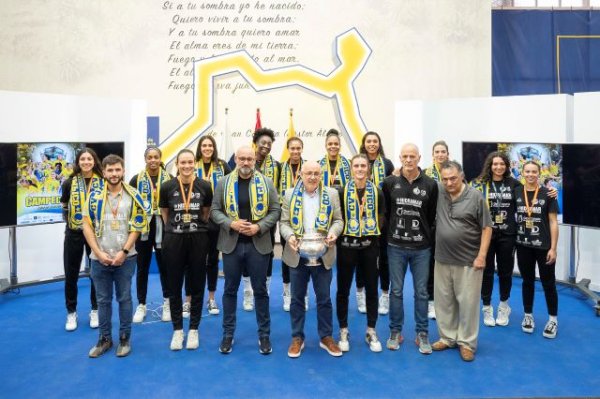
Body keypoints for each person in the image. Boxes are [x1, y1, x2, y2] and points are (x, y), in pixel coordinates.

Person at [211, 145, 281, 355]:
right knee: (230, 290)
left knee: (260, 291)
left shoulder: (266, 182)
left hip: (258, 245)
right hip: (232, 244)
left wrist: (259, 226)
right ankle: (228, 334)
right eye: (242, 158)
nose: (246, 162)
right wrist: (230, 223)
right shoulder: (224, 182)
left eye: (249, 159)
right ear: (235, 159)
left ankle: (264, 335)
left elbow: (276, 210)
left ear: (254, 161)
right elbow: (214, 210)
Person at [82, 154, 149, 358]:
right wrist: (98, 252)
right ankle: (104, 339)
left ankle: (124, 338)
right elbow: (86, 225)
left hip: (126, 258)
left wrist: (124, 251)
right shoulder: (93, 197)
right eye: (110, 170)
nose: (114, 174)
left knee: (125, 298)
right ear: (103, 172)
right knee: (103, 301)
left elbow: (137, 225)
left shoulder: (133, 195)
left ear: (123, 171)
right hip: (99, 258)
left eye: (117, 170)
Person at [279, 161, 344, 358]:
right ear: (301, 174)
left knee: (324, 299)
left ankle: (326, 337)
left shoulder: (331, 194)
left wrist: (333, 233)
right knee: (297, 299)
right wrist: (289, 236)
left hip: (323, 252)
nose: (313, 177)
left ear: (321, 174)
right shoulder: (290, 194)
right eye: (309, 173)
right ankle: (297, 337)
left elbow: (339, 220)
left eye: (316, 173)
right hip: (297, 253)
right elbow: (284, 222)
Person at [432, 160, 492, 362]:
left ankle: (466, 343)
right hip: (442, 259)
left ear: (462, 176)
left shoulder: (475, 197)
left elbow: (487, 227)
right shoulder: (439, 190)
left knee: (468, 304)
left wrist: (482, 255)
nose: (449, 183)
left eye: (453, 179)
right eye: (445, 179)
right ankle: (447, 337)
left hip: (469, 261)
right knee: (444, 303)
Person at [383, 144, 438, 354]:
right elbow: (386, 212)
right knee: (395, 291)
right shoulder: (390, 183)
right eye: (405, 156)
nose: (408, 160)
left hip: (421, 248)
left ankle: (422, 333)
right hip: (395, 246)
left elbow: (431, 215)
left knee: (422, 292)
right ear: (400, 158)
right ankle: (395, 331)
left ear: (419, 158)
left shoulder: (431, 185)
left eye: (412, 156)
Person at [159, 149, 213, 350]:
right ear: (177, 164)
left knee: (198, 284)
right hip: (174, 239)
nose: (187, 166)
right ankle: (177, 330)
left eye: (190, 162)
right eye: (183, 162)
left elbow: (206, 213)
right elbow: (165, 214)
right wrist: (176, 228)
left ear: (195, 164)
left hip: (198, 237)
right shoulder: (167, 187)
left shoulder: (205, 186)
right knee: (174, 286)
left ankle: (193, 330)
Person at [335, 154, 385, 353]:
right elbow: (337, 217)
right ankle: (343, 329)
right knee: (343, 290)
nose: (360, 168)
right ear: (351, 168)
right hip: (347, 247)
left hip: (369, 247)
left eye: (363, 165)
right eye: (356, 165)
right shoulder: (341, 191)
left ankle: (371, 330)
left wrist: (370, 231)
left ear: (368, 168)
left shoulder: (377, 191)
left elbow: (382, 214)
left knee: (372, 288)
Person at [179, 135, 232, 318]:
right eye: (204, 145)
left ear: (214, 147)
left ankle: (211, 298)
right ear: (200, 148)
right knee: (190, 260)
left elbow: (229, 189)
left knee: (212, 261)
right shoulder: (192, 164)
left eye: (210, 145)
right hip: (194, 217)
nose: (207, 148)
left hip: (215, 218)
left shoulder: (223, 166)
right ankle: (188, 300)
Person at [515, 161, 559, 339]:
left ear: (539, 174)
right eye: (527, 171)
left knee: (548, 283)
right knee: (527, 281)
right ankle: (528, 316)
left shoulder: (548, 193)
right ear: (522, 173)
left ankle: (553, 319)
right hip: (523, 245)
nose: (531, 174)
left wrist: (553, 248)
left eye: (534, 172)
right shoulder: (517, 191)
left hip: (543, 247)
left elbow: (553, 222)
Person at [60, 147, 102, 331]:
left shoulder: (103, 182)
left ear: (94, 161)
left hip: (96, 234)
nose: (86, 162)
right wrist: (74, 225)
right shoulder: (69, 182)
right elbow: (64, 208)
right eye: (83, 159)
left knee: (97, 273)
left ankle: (95, 309)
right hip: (74, 233)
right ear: (78, 162)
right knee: (71, 274)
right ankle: (71, 312)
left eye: (89, 159)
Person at [130, 146, 172, 324]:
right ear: (145, 159)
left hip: (163, 225)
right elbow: (130, 203)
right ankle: (141, 304)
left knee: (165, 267)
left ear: (160, 158)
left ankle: (167, 302)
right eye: (150, 157)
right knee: (142, 267)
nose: (153, 160)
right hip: (143, 228)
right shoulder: (136, 179)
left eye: (156, 157)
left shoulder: (169, 178)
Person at [241, 128, 281, 312]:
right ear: (255, 143)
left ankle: (264, 291)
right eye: (262, 142)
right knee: (245, 254)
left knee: (268, 253)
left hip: (267, 220)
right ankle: (248, 293)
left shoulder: (277, 166)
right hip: (246, 216)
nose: (265, 146)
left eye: (269, 144)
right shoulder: (246, 162)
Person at [358, 131, 395, 315]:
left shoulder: (387, 164)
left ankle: (385, 295)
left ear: (379, 144)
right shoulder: (357, 162)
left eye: (375, 141)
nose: (372, 144)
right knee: (362, 257)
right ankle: (361, 293)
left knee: (384, 258)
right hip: (360, 218)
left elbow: (392, 190)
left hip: (382, 218)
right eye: (369, 141)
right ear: (364, 144)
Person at [423, 140, 450, 320]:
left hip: (450, 225)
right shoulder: (425, 173)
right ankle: (431, 302)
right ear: (433, 154)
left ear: (448, 154)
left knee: (448, 265)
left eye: (443, 151)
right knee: (431, 265)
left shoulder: (455, 172)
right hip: (431, 225)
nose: (440, 154)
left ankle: (447, 303)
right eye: (437, 152)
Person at [279, 136, 306, 312]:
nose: (295, 151)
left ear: (302, 149)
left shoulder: (308, 167)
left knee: (304, 255)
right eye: (292, 148)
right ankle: (287, 292)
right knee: (287, 253)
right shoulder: (280, 167)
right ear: (288, 149)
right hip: (286, 217)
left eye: (298, 148)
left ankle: (303, 295)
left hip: (305, 217)